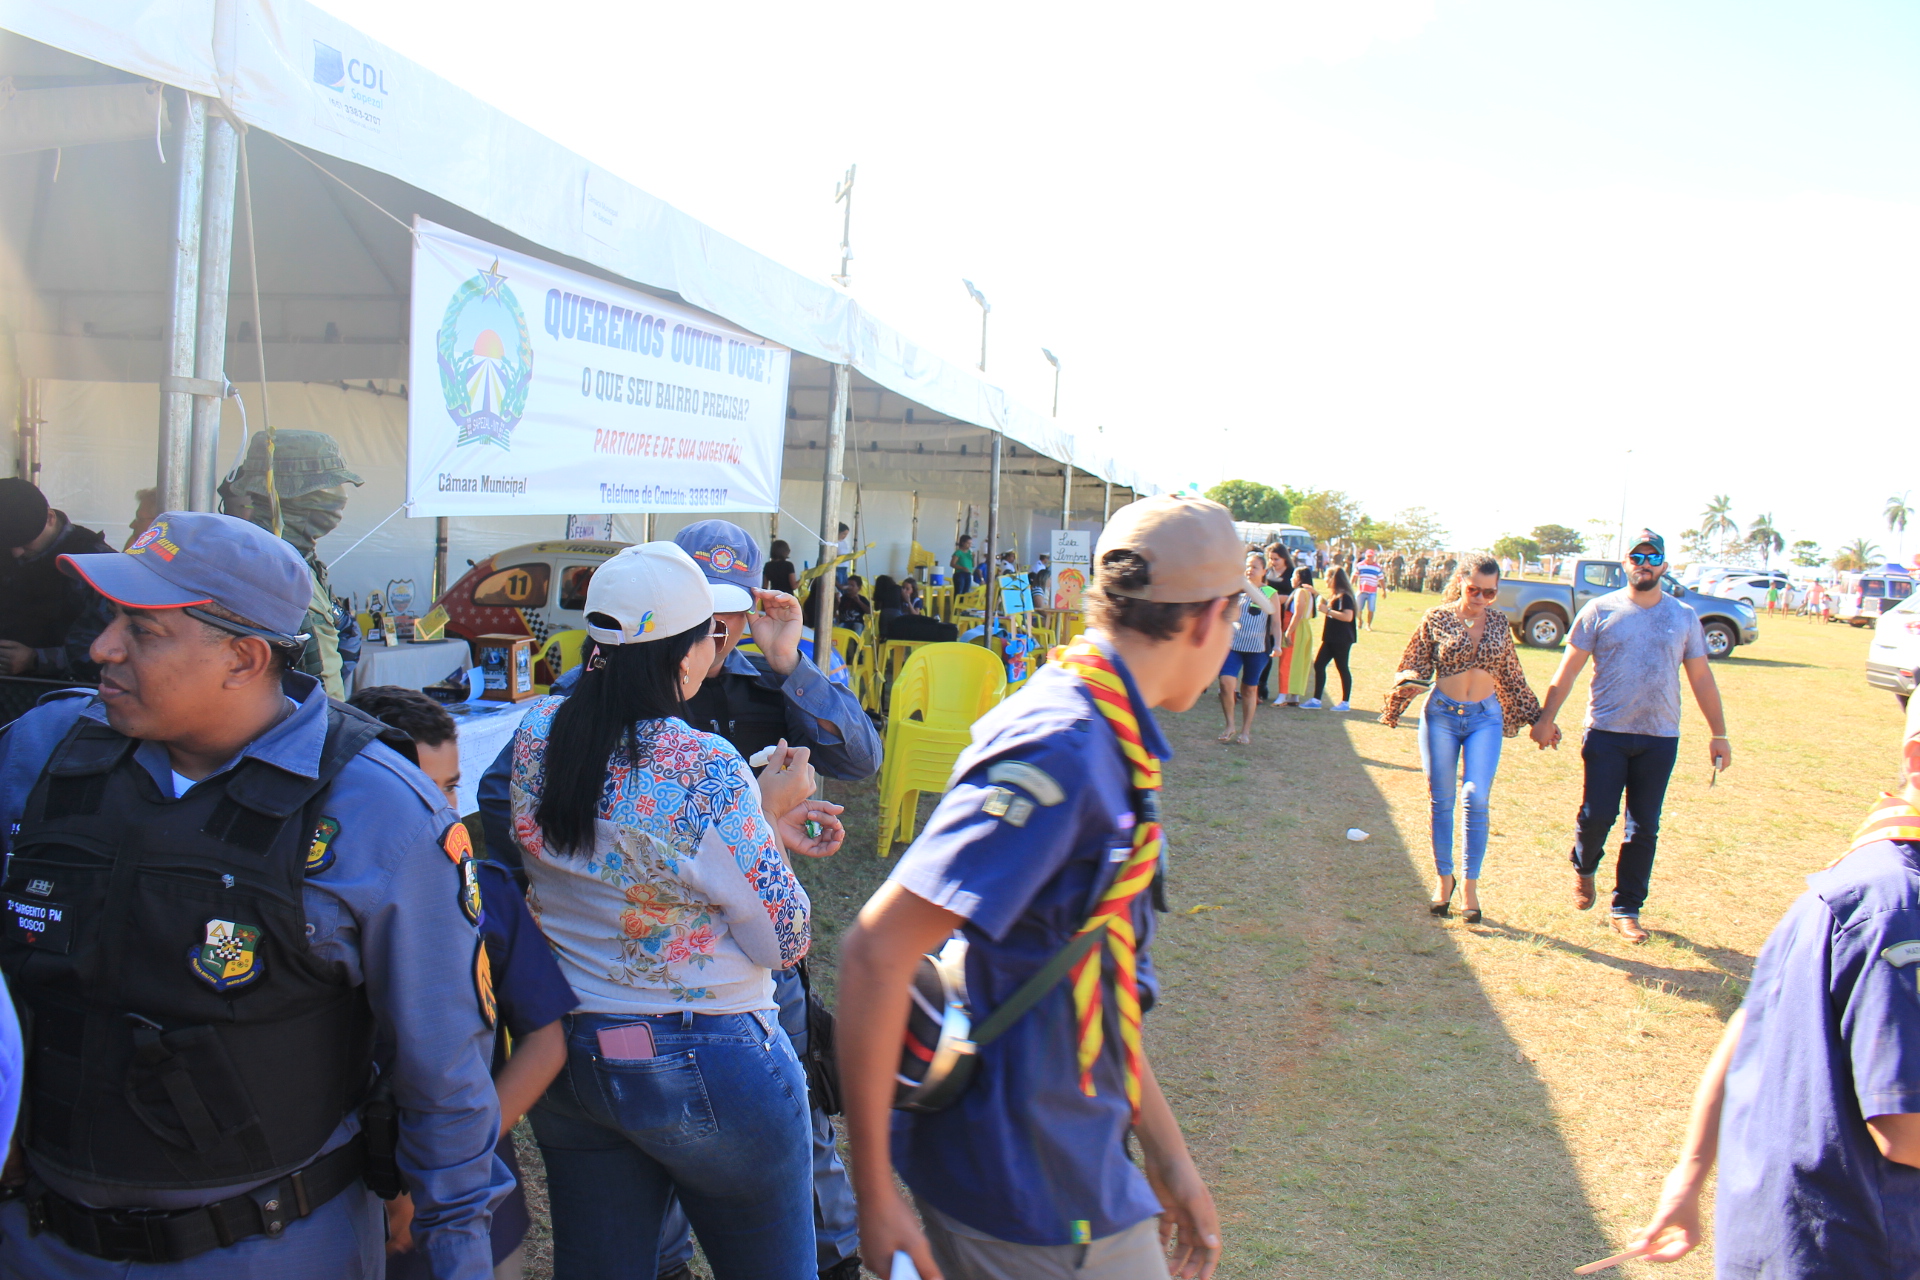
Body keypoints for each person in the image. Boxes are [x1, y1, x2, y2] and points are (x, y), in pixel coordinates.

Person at [0, 511, 505, 1278]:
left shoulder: (378, 814)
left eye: (143, 630)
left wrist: (458, 1254)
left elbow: (444, 1076)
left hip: (265, 1248)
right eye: (111, 621)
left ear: (243, 657)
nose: (102, 647)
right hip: (39, 1240)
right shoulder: (42, 752)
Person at [836, 494, 1231, 1280]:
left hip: (1067, 1155)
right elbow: (878, 949)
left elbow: (1086, 963)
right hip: (1035, 1190)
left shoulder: (1101, 726)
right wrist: (872, 1196)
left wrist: (1167, 1153)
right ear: (1205, 619)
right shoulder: (1067, 744)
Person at [478, 518, 880, 1280]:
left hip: (576, 1055)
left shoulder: (539, 730)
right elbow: (785, 938)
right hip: (710, 1052)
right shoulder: (705, 764)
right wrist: (762, 815)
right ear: (687, 651)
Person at [1622, 700, 1920, 1277]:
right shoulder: (1899, 907)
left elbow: (1745, 1026)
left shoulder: (1856, 876)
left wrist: (1687, 1177)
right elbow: (1904, 1130)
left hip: (1781, 1236)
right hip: (1855, 1249)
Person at [348, 687, 576, 1280]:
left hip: (473, 1198)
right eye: (420, 791)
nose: (441, 813)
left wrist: (447, 1157)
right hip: (346, 1204)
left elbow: (546, 1041)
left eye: (450, 787)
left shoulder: (487, 893)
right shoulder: (318, 903)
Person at [1529, 529, 1732, 943]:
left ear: (1665, 565)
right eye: (1636, 557)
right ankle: (1584, 868)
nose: (1644, 563)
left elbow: (1701, 678)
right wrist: (1546, 717)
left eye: (1653, 557)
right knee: (1597, 815)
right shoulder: (1599, 610)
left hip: (1660, 737)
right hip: (1606, 732)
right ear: (1625, 564)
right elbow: (1567, 670)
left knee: (1644, 827)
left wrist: (1719, 733)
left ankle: (1626, 908)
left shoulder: (1683, 616)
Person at [1383, 557, 1545, 924]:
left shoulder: (1500, 622)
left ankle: (1470, 886)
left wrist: (1538, 717)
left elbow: (1512, 675)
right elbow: (1414, 662)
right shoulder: (1436, 617)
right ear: (1461, 582)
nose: (1482, 598)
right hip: (1440, 715)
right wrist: (1404, 686)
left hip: (1484, 718)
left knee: (1476, 796)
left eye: (1490, 592)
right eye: (1475, 590)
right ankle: (1444, 881)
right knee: (1440, 800)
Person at [217, 429, 363, 700]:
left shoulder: (298, 560)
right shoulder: (265, 567)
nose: (340, 499)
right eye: (324, 489)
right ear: (286, 497)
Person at [0, 476, 115, 682]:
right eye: (9, 544)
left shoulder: (96, 565)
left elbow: (110, 648)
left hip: (62, 693)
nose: (16, 553)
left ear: (50, 518)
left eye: (26, 543)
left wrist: (36, 659)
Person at [1218, 552, 1277, 745]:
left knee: (1250, 689)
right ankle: (1230, 725)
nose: (1250, 570)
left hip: (1257, 649)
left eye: (1255, 567)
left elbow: (1275, 622)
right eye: (1248, 566)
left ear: (1264, 571)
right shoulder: (1235, 589)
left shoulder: (1269, 593)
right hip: (1233, 646)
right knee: (1226, 683)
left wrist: (1277, 644)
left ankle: (1245, 731)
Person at [1305, 567, 1357, 711]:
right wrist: (1316, 594)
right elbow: (1328, 603)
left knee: (1342, 667)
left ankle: (1345, 702)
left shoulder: (1344, 597)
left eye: (1328, 577)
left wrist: (1327, 611)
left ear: (1334, 578)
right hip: (1331, 637)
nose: (1325, 580)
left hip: (1341, 638)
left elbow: (1348, 616)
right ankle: (1316, 700)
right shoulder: (1336, 596)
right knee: (1319, 665)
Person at [1260, 544, 1294, 705]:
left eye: (1276, 559)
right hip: (1267, 614)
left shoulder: (1292, 573)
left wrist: (1284, 598)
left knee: (1280, 653)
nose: (1273, 562)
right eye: (1271, 559)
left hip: (1285, 616)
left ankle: (1286, 692)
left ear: (1285, 557)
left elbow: (1299, 595)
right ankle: (1261, 686)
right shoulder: (1269, 572)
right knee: (1264, 652)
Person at [1281, 566, 1318, 707]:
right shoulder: (1309, 592)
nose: (1291, 579)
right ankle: (1294, 695)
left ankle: (1291, 693)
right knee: (1300, 661)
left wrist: (1288, 631)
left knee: (1293, 660)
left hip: (1299, 627)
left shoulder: (1301, 592)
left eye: (1293, 576)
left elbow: (1298, 614)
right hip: (1305, 627)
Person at [1353, 550, 1384, 631]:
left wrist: (1383, 590)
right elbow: (1354, 576)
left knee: (1371, 609)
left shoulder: (1377, 568)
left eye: (1371, 557)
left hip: (1372, 592)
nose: (1369, 558)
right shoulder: (1360, 565)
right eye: (1368, 556)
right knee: (1358, 609)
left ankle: (1368, 625)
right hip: (1361, 590)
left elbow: (1381, 579)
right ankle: (1360, 621)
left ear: (1374, 557)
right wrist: (1350, 585)